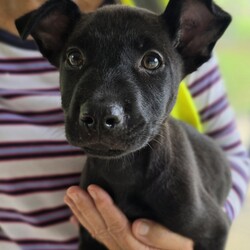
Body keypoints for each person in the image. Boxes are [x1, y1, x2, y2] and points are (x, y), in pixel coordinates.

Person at [0, 0, 249, 249]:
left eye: (151, 62)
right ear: (50, 41)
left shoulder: (166, 26)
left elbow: (234, 159)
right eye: (75, 57)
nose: (102, 111)